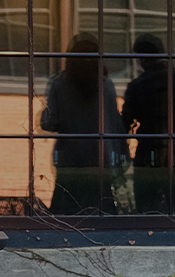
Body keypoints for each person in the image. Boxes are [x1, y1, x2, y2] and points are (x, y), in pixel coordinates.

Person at [41, 32, 125, 215]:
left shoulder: (59, 84)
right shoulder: (107, 85)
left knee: (66, 213)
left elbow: (49, 123)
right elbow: (115, 126)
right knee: (101, 212)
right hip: (100, 160)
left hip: (70, 160)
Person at [120, 33, 175, 214]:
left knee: (147, 211)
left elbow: (124, 125)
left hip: (149, 158)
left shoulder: (138, 86)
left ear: (140, 58)